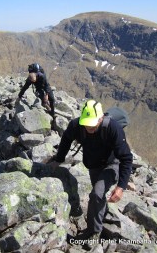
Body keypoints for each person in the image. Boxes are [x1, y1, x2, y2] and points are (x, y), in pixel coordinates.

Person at [48, 99, 133, 244]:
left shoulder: (113, 128)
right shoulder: (76, 125)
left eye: (93, 124)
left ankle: (93, 232)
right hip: (93, 165)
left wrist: (121, 187)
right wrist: (58, 159)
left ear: (100, 119)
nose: (89, 127)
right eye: (86, 123)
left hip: (112, 164)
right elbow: (66, 139)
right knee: (98, 194)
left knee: (97, 193)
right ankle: (101, 212)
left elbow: (126, 158)